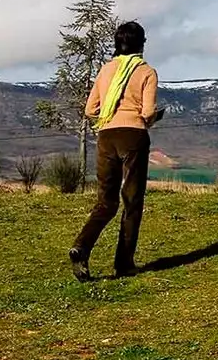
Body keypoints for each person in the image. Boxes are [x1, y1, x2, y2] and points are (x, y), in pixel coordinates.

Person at [69, 20, 163, 280]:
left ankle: (82, 246)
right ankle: (124, 263)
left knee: (106, 201)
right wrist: (154, 117)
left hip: (106, 136)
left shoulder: (106, 70)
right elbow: (146, 113)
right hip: (133, 137)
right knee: (132, 202)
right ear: (142, 44)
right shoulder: (146, 72)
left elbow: (90, 110)